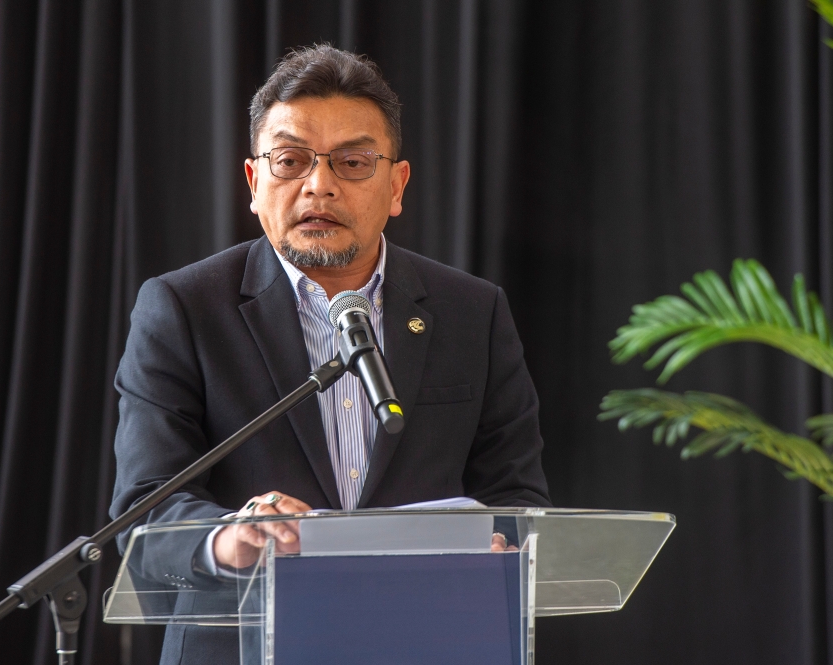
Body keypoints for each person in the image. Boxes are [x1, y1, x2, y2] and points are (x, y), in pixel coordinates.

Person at [109, 44, 550, 665]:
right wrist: (227, 537)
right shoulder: (182, 309)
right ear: (254, 183)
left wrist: (506, 547)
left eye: (353, 162)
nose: (320, 185)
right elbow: (144, 512)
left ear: (396, 186)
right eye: (290, 160)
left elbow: (519, 498)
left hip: (432, 644)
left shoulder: (472, 312)